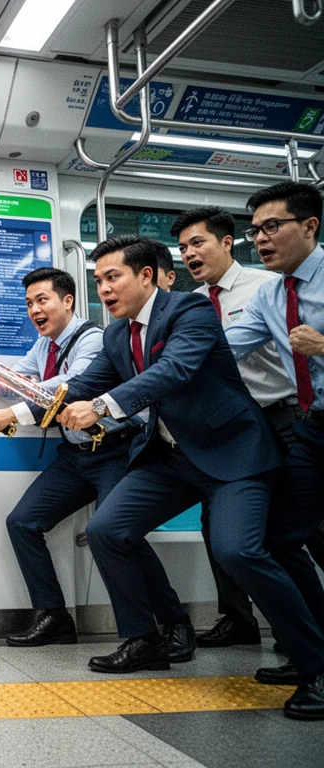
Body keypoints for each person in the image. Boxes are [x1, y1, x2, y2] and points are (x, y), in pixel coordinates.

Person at [56, 236, 322, 702]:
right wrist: (15, 409)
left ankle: (315, 662)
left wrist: (100, 406)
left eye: (112, 276)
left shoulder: (190, 312)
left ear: (146, 275)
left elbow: (173, 370)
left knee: (238, 551)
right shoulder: (117, 333)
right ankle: (144, 639)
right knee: (108, 530)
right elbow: (84, 382)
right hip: (173, 459)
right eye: (97, 280)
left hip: (233, 454)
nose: (103, 288)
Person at [0, 267, 193, 651]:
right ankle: (54, 615)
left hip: (116, 452)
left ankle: (173, 621)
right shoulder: (44, 347)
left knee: (122, 533)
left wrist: (14, 409)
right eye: (28, 304)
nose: (34, 310)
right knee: (22, 522)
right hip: (75, 456)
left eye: (42, 300)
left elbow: (66, 389)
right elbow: (14, 380)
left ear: (67, 301)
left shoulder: (94, 340)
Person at [173, 205, 295, 649]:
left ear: (227, 242)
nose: (189, 253)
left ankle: (296, 624)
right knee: (216, 519)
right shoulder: (194, 306)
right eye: (183, 247)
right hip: (233, 427)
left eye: (198, 242)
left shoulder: (265, 286)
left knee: (292, 527)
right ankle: (238, 618)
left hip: (282, 416)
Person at [224, 182, 324, 718]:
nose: (260, 239)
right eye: (255, 231)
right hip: (312, 427)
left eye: (272, 227)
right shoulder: (268, 295)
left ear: (309, 226)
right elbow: (224, 352)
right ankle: (316, 654)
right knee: (282, 539)